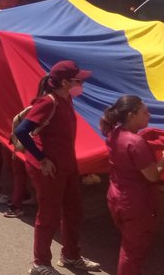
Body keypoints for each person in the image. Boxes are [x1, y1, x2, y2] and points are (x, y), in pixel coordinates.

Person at [13, 61, 102, 275]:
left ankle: (70, 256)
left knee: (74, 211)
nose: (81, 84)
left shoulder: (67, 98)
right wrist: (42, 158)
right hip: (49, 169)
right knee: (49, 215)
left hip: (67, 165)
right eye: (77, 80)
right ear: (64, 82)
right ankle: (40, 263)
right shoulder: (48, 102)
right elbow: (22, 131)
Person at [100, 95, 164, 275]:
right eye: (145, 112)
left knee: (130, 246)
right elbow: (153, 176)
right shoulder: (135, 143)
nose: (149, 115)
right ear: (131, 116)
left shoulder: (113, 133)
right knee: (133, 252)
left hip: (116, 198)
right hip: (135, 204)